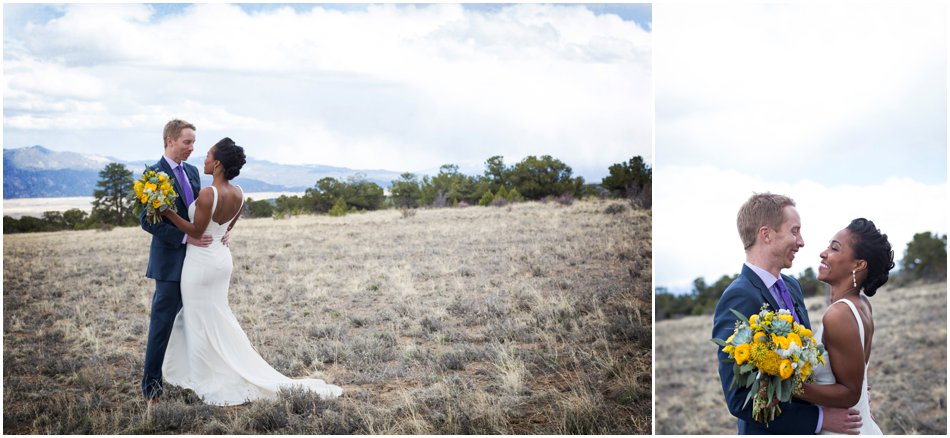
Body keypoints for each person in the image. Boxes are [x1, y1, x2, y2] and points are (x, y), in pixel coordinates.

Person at [158, 137, 343, 405]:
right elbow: (225, 229)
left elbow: (197, 231)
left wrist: (168, 213)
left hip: (200, 263)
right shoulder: (240, 193)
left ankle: (204, 376)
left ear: (218, 163)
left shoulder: (209, 194)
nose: (205, 159)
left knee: (198, 319)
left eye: (208, 155)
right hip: (221, 259)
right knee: (218, 314)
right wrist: (219, 233)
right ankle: (227, 364)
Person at [712, 193, 862, 434]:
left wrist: (847, 393)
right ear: (766, 234)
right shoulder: (739, 297)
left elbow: (804, 363)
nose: (801, 242)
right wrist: (819, 419)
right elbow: (741, 400)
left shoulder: (792, 286)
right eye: (794, 231)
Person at [794, 218, 892, 434]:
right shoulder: (862, 304)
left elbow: (850, 392)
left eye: (835, 248)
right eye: (829, 246)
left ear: (858, 264)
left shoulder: (839, 314)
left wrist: (787, 386)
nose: (823, 253)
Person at [141, 119, 212, 401]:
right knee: (162, 326)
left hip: (198, 261)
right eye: (187, 142)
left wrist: (220, 232)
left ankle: (192, 376)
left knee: (194, 322)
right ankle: (151, 387)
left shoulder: (193, 172)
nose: (192, 148)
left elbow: (199, 213)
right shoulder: (152, 176)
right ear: (170, 141)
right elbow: (147, 222)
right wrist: (185, 238)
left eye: (194, 142)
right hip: (169, 263)